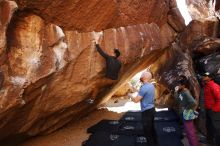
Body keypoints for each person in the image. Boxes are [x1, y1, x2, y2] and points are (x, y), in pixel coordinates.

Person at [128, 71, 156, 146]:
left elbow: (136, 100)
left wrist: (129, 95)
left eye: (142, 75)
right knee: (152, 129)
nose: (141, 76)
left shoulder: (144, 88)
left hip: (146, 112)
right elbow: (142, 92)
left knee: (147, 132)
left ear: (145, 77)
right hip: (152, 110)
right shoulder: (151, 86)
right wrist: (133, 88)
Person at [174, 78, 199, 146]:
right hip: (184, 113)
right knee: (188, 131)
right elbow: (177, 100)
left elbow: (193, 103)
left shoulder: (186, 92)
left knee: (190, 132)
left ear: (183, 85)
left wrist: (186, 108)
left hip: (187, 113)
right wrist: (176, 91)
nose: (178, 85)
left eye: (179, 84)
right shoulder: (181, 91)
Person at [202, 72, 220, 145]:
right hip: (208, 110)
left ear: (210, 78)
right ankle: (210, 142)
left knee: (217, 129)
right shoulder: (206, 86)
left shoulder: (214, 86)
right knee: (209, 127)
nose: (203, 77)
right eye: (204, 75)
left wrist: (214, 109)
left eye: (205, 76)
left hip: (214, 111)